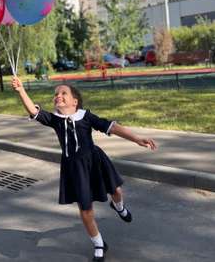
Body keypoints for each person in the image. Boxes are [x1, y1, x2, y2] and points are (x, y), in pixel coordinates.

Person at [11, 76, 157, 261]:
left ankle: (118, 206)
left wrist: (136, 138)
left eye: (64, 93)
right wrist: (21, 90)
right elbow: (33, 110)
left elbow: (111, 126)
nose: (58, 96)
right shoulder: (55, 120)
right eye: (56, 94)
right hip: (74, 169)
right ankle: (99, 244)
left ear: (75, 101)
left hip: (95, 161)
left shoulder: (86, 116)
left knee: (116, 191)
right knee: (86, 210)